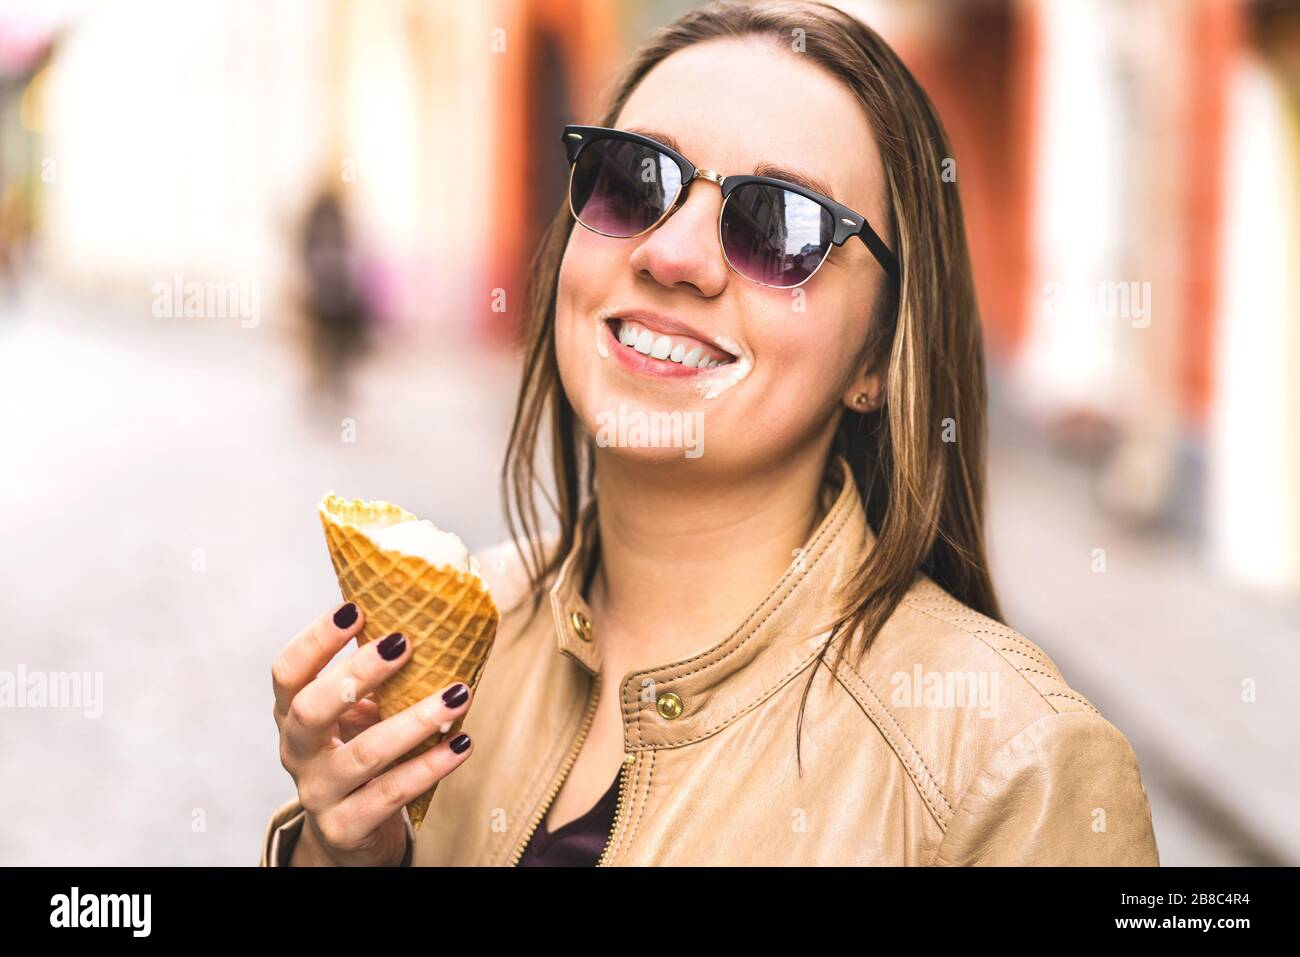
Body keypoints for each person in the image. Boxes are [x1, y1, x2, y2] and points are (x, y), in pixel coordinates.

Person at [262, 0, 1159, 867]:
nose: (673, 255)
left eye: (778, 225)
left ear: (880, 358)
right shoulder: (460, 636)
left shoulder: (1018, 770)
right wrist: (342, 859)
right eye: (633, 179)